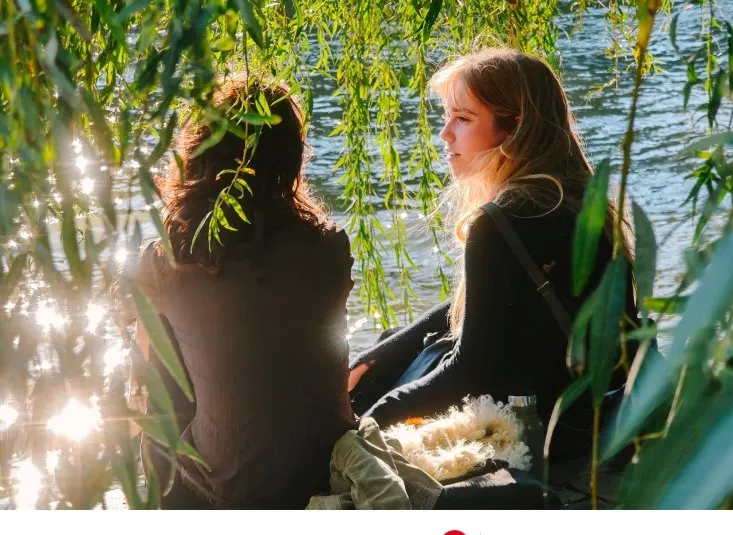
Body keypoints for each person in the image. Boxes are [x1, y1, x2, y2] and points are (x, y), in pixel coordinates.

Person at [348, 48, 638, 462]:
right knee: (396, 347)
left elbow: (468, 372)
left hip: (538, 433)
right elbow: (491, 303)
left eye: (463, 119)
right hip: (592, 413)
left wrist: (362, 432)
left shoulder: (502, 222)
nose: (445, 134)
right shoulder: (576, 199)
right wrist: (386, 350)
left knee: (381, 393)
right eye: (447, 116)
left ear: (514, 127)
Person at [133, 77, 357, 508]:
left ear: (198, 156)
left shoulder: (165, 260)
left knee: (161, 355)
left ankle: (161, 514)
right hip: (324, 470)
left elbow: (145, 385)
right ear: (290, 160)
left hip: (229, 488)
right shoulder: (329, 245)